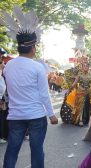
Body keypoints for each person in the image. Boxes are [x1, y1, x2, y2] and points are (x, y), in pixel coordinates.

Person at [0, 6, 58, 168]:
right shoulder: (37, 67)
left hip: (15, 116)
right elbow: (43, 94)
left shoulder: (8, 66)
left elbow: (5, 89)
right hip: (36, 116)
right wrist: (52, 115)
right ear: (33, 48)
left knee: (12, 149)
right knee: (36, 149)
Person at [68, 61, 91, 126]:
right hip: (80, 92)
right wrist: (69, 89)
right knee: (80, 106)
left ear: (88, 67)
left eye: (87, 66)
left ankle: (85, 120)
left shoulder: (90, 75)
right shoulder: (79, 74)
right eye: (84, 66)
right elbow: (75, 83)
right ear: (82, 67)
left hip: (88, 92)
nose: (86, 67)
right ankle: (80, 120)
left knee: (87, 107)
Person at [0, 61, 8, 144]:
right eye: (2, 63)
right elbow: (1, 88)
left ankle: (3, 135)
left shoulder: (2, 75)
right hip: (1, 99)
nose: (4, 64)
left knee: (3, 118)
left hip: (3, 98)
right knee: (1, 118)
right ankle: (2, 136)